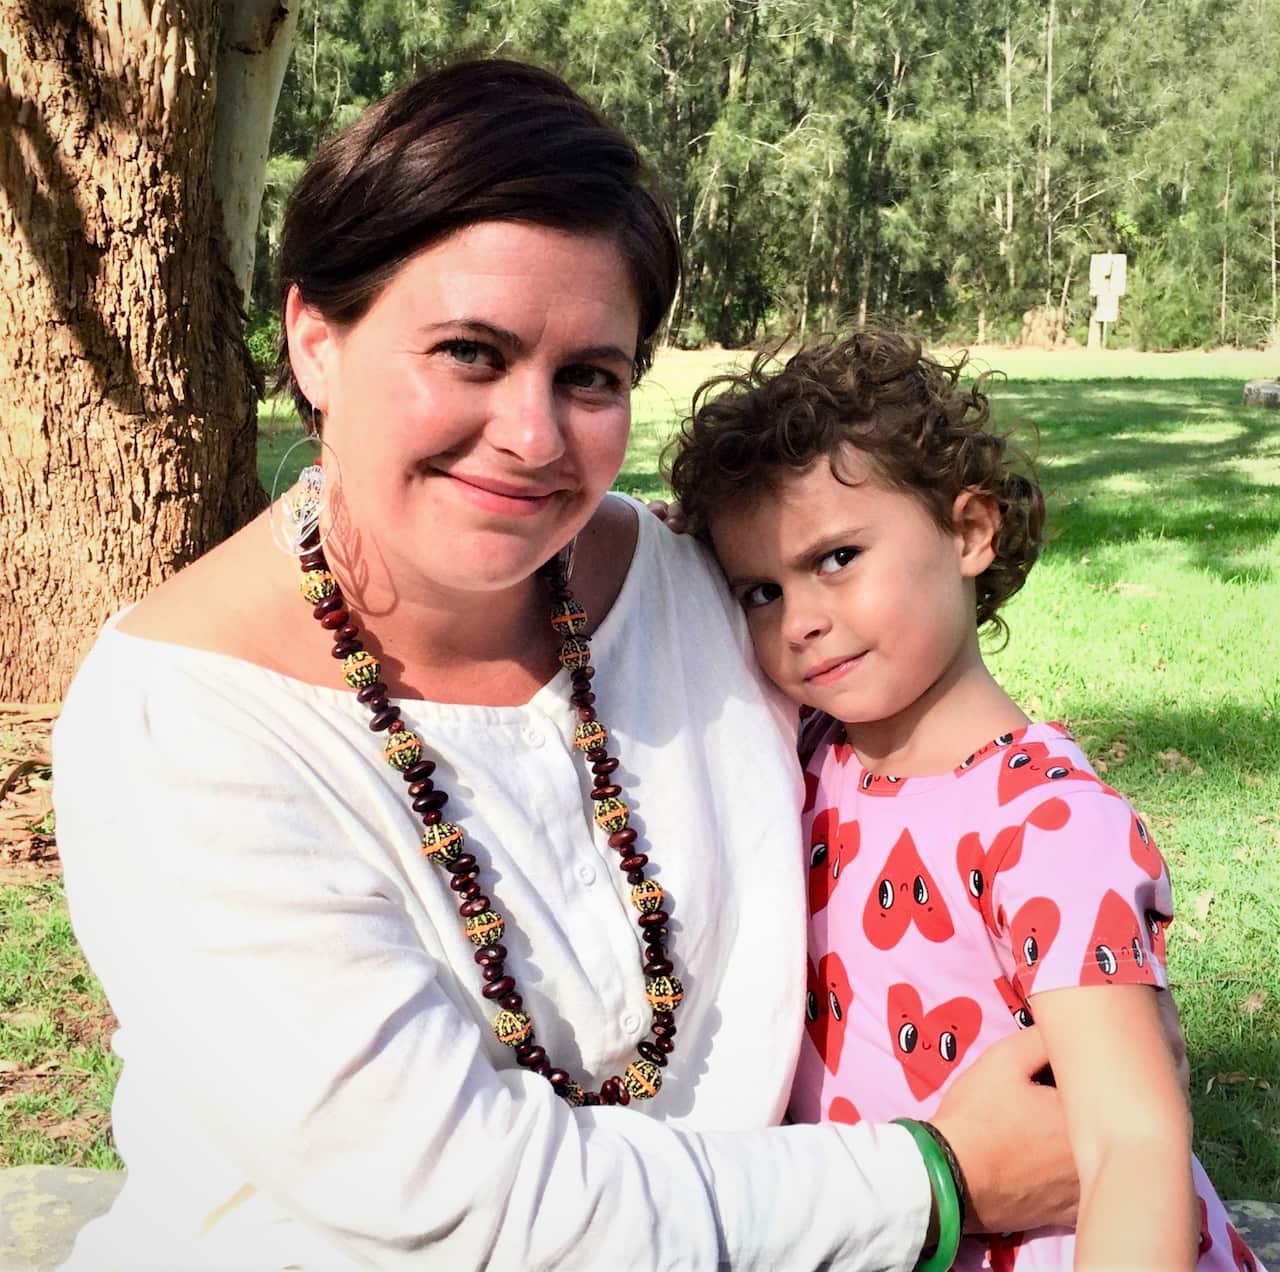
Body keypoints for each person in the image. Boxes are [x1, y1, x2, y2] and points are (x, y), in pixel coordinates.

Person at [53, 61, 1078, 1270]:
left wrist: (1089, 980)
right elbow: (462, 1197)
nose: (533, 438)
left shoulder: (706, 598)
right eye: (469, 353)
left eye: (589, 376)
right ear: (315, 343)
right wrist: (938, 1179)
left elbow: (959, 795)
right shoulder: (179, 725)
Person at [666, 329, 1263, 1272]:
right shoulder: (803, 752)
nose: (801, 620)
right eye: (759, 591)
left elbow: (1132, 1144)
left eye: (836, 558)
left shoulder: (1049, 827)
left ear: (969, 531)